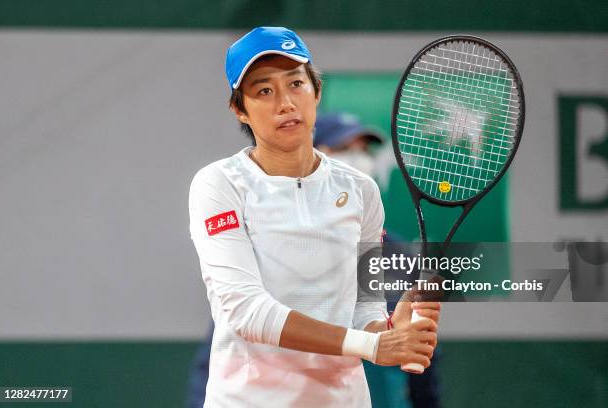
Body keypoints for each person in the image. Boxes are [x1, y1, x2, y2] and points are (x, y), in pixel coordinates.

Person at [188, 26, 441, 407]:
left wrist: (389, 329)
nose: (285, 103)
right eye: (264, 91)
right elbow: (247, 312)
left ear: (316, 92)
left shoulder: (361, 191)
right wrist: (374, 344)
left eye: (296, 84)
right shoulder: (218, 185)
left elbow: (364, 307)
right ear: (240, 108)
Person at [314, 112, 444, 408]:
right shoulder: (287, 247)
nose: (359, 159)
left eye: (364, 150)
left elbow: (422, 356)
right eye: (344, 148)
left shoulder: (400, 253)